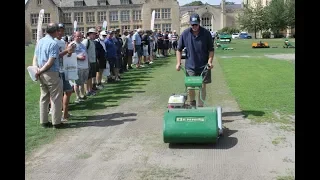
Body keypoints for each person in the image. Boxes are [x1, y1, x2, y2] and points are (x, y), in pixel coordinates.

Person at [32, 23, 72, 129]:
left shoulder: (40, 42)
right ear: (55, 31)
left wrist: (36, 69)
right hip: (51, 73)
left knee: (44, 97)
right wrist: (40, 70)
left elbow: (35, 57)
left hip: (41, 73)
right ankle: (56, 122)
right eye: (58, 30)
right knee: (56, 98)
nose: (59, 32)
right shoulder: (53, 43)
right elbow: (50, 61)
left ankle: (44, 121)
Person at [176, 14, 214, 107]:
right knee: (190, 87)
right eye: (192, 25)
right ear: (190, 24)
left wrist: (210, 62)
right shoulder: (185, 33)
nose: (194, 27)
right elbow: (179, 49)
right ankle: (192, 104)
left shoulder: (206, 33)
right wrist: (178, 62)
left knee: (203, 86)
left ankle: (201, 106)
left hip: (204, 65)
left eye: (196, 24)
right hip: (190, 65)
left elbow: (211, 50)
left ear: (199, 23)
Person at [54, 23, 75, 122]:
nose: (61, 32)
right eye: (59, 30)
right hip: (56, 70)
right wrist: (67, 51)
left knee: (69, 91)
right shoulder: (53, 42)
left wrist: (70, 52)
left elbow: (66, 55)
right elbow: (56, 56)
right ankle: (60, 114)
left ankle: (65, 114)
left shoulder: (62, 41)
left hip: (64, 69)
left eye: (62, 30)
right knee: (60, 93)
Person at [72, 31, 90, 103]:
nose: (79, 37)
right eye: (77, 36)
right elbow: (69, 55)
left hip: (85, 66)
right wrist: (78, 57)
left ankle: (82, 95)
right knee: (77, 83)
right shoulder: (72, 44)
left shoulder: (82, 45)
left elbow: (86, 54)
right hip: (78, 67)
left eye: (80, 36)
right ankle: (77, 96)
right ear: (74, 36)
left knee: (82, 82)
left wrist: (88, 64)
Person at [82, 28, 97, 96]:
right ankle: (87, 91)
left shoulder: (92, 41)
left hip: (92, 61)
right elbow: (83, 52)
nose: (95, 35)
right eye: (93, 34)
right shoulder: (86, 41)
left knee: (91, 77)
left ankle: (90, 89)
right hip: (88, 62)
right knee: (87, 77)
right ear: (90, 34)